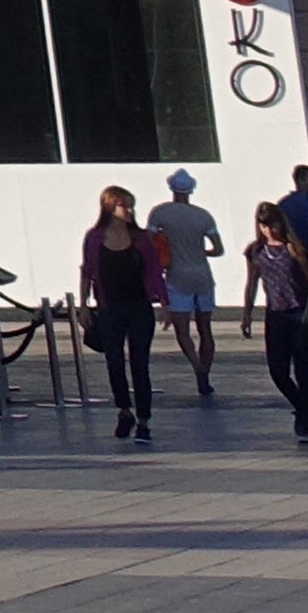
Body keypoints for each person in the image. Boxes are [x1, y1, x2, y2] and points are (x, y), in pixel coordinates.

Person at [76, 187, 163, 445]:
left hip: (139, 307)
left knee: (140, 364)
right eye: (124, 206)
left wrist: (164, 303)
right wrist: (83, 306)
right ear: (110, 207)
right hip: (110, 308)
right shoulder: (94, 238)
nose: (130, 211)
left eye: (131, 206)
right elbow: (87, 272)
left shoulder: (141, 238)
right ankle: (124, 411)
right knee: (114, 362)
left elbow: (154, 270)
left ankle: (145, 419)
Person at [244, 199, 308, 442]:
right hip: (275, 314)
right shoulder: (256, 251)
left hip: (299, 311)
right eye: (264, 225)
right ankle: (301, 406)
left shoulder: (293, 248)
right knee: (278, 370)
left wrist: (304, 263)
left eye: (273, 224)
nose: (269, 230)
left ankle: (307, 423)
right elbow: (252, 283)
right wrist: (247, 313)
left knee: (303, 371)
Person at [146, 172, 227, 380]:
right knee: (205, 329)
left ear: (172, 188)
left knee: (183, 331)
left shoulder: (160, 213)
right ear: (191, 189)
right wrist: (201, 252)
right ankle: (205, 373)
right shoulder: (203, 215)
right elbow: (218, 249)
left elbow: (147, 243)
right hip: (202, 275)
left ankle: (196, 364)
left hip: (176, 276)